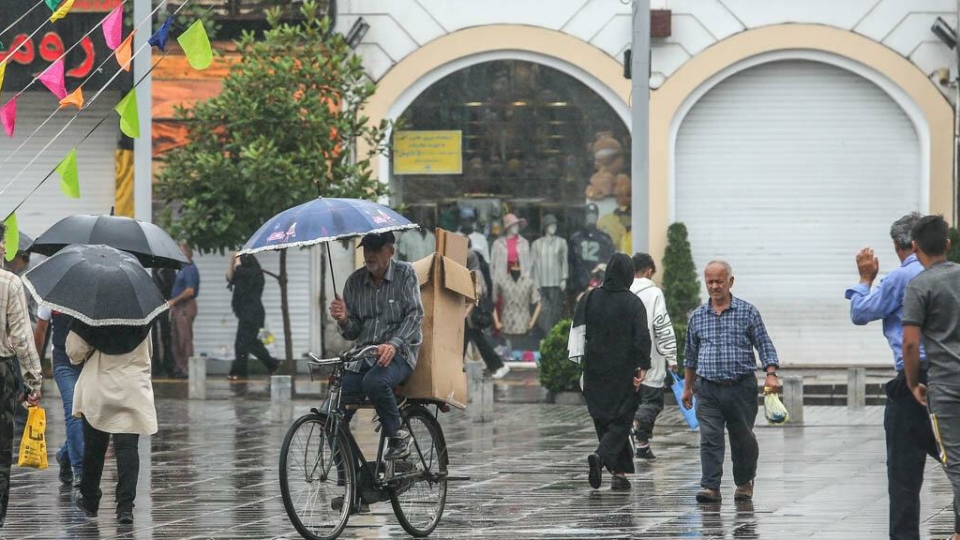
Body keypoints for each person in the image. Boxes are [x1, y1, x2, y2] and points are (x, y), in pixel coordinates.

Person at [845, 212, 938, 540]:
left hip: (915, 379)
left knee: (903, 475)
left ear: (905, 245)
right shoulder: (948, 274)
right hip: (949, 377)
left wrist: (865, 279)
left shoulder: (903, 277)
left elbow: (861, 313)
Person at [681, 260, 780, 504]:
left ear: (730, 282)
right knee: (710, 438)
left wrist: (771, 373)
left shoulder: (748, 312)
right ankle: (710, 486)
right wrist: (687, 388)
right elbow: (690, 356)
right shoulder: (697, 317)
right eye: (710, 282)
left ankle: (745, 482)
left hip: (740, 388)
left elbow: (764, 344)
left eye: (719, 281)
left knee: (742, 439)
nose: (714, 286)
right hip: (707, 389)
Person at [328, 232, 424, 462]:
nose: (369, 254)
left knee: (374, 381)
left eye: (376, 248)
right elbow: (353, 331)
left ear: (390, 251)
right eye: (366, 249)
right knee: (331, 420)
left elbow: (414, 315)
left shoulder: (405, 274)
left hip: (399, 354)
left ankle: (397, 437)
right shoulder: (354, 282)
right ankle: (352, 486)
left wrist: (393, 344)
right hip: (363, 357)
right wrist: (343, 319)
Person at [902, 214, 960, 540]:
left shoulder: (920, 285)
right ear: (948, 244)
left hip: (947, 386)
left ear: (914, 247)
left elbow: (910, 342)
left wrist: (913, 383)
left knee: (955, 461)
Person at [67, 320, 156, 525]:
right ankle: (125, 507)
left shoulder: (90, 315)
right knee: (127, 447)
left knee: (95, 446)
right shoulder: (142, 316)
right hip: (131, 387)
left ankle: (89, 499)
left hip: (99, 386)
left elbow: (74, 351)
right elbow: (148, 352)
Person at [577, 253, 651, 491]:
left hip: (594, 370)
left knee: (602, 419)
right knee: (622, 420)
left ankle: (618, 474)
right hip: (623, 372)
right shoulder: (633, 302)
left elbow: (577, 332)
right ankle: (600, 457)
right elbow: (641, 337)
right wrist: (643, 366)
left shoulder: (589, 298)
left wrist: (579, 365)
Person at [0, 225, 41, 528]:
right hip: (2, 372)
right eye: (1, 243)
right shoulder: (10, 283)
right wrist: (33, 382)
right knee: (1, 451)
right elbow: (23, 338)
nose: (5, 248)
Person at [629, 253, 678, 460]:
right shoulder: (654, 292)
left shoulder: (622, 290)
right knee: (652, 403)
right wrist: (671, 356)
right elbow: (662, 325)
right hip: (650, 359)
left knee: (630, 401)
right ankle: (638, 430)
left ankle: (642, 445)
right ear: (649, 270)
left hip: (625, 360)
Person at [34, 307, 82, 488]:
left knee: (91, 417)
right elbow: (41, 328)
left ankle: (65, 454)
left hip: (91, 361)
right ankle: (80, 471)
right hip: (64, 361)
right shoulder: (53, 293)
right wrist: (35, 365)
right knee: (74, 412)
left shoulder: (95, 290)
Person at [227, 252, 279, 380]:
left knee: (244, 343)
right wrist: (232, 261)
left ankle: (240, 371)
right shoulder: (242, 273)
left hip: (252, 313)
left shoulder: (252, 272)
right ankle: (273, 365)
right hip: (246, 313)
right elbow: (229, 278)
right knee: (250, 343)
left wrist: (237, 260)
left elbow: (240, 272)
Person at [464, 249, 509, 379]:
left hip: (472, 316)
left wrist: (467, 312)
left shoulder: (475, 273)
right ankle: (495, 366)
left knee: (478, 342)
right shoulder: (471, 272)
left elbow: (477, 294)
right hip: (469, 316)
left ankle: (498, 366)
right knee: (470, 341)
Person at [169, 242, 199, 379]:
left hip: (184, 307)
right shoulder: (182, 269)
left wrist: (174, 300)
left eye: (180, 252)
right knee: (176, 338)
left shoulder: (190, 269)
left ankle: (186, 368)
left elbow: (190, 290)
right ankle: (179, 366)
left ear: (187, 253)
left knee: (184, 339)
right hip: (178, 307)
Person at [150, 268, 176, 378]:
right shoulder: (154, 272)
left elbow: (171, 290)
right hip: (154, 308)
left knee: (166, 338)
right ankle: (157, 367)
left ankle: (167, 366)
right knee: (155, 339)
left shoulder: (168, 272)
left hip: (165, 307)